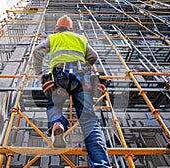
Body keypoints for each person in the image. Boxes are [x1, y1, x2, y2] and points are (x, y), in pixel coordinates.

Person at [33, 15, 111, 167]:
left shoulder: (54, 38)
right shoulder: (80, 38)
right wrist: (85, 65)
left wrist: (40, 75)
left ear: (57, 29)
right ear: (70, 28)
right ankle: (101, 164)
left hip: (59, 75)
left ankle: (58, 125)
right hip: (81, 77)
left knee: (54, 106)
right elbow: (93, 56)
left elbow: (37, 52)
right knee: (89, 119)